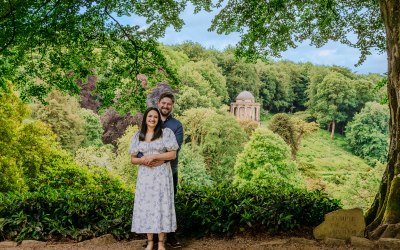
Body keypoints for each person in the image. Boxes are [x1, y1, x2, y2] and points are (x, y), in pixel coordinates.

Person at [130, 107, 179, 250]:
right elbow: (133, 159)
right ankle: (150, 242)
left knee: (161, 205)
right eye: (150, 116)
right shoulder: (139, 135)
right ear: (145, 118)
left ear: (158, 120)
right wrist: (144, 160)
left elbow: (172, 155)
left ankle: (162, 243)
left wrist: (155, 156)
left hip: (161, 175)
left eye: (155, 117)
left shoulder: (166, 133)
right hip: (145, 176)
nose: (152, 119)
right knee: (147, 206)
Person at [141, 92, 184, 248]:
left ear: (172, 106)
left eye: (169, 104)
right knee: (150, 203)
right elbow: (141, 145)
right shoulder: (150, 120)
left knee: (168, 203)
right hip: (149, 171)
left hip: (168, 170)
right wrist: (146, 159)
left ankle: (171, 236)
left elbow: (173, 149)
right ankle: (150, 239)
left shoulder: (177, 125)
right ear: (158, 103)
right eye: (163, 103)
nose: (166, 106)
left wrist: (157, 159)